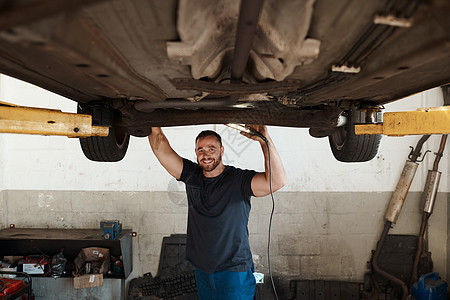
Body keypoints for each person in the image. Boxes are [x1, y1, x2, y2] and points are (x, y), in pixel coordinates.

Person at [148, 125, 286, 300]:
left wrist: (265, 142)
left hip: (234, 271)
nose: (206, 155)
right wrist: (152, 124)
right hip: (203, 270)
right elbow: (161, 151)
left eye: (211, 149)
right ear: (196, 152)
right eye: (201, 150)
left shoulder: (238, 180)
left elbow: (277, 181)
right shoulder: (193, 176)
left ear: (221, 150)